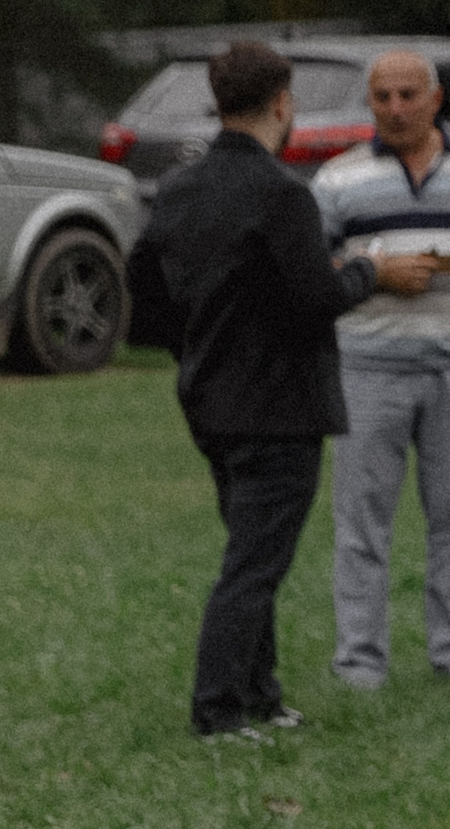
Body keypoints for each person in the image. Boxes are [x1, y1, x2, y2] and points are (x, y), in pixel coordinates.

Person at [125, 41, 434, 739]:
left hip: (209, 395)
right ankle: (219, 709)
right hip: (278, 405)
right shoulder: (281, 194)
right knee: (255, 563)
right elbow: (314, 295)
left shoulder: (179, 189)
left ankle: (261, 691)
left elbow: (143, 284)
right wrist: (368, 272)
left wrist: (192, 341)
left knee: (249, 543)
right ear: (281, 103)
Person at [312, 51, 450, 692]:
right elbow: (311, 275)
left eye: (408, 95)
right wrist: (375, 275)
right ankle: (359, 660)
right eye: (382, 97)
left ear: (435, 101)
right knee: (361, 522)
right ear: (370, 104)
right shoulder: (337, 181)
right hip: (367, 371)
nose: (395, 109)